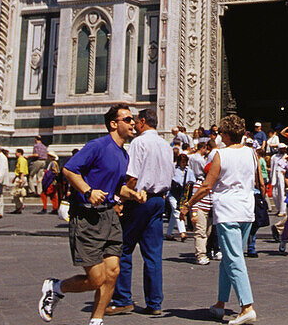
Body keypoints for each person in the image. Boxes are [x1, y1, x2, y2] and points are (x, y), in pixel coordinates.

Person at [39, 103, 136, 325]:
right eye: (128, 119)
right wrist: (88, 191)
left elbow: (116, 187)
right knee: (96, 279)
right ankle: (56, 287)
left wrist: (132, 194)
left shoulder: (123, 154)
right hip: (87, 217)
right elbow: (69, 169)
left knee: (112, 273)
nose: (133, 123)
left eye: (133, 119)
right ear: (114, 124)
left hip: (110, 217)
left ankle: (96, 320)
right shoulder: (98, 146)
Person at [181, 114, 261, 325]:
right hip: (246, 210)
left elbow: (207, 185)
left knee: (234, 259)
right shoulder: (252, 153)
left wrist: (188, 204)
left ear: (224, 135)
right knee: (229, 258)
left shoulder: (220, 155)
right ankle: (220, 304)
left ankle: (247, 307)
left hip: (228, 212)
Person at [108, 108, 174, 316]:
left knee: (123, 248)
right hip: (158, 200)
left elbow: (133, 176)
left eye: (135, 121)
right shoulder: (166, 145)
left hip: (140, 199)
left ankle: (122, 299)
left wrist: (121, 198)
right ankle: (155, 303)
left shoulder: (139, 142)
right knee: (153, 254)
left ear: (143, 122)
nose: (133, 125)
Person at [166, 153, 192, 241]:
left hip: (183, 195)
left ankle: (169, 233)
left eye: (185, 162)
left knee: (174, 214)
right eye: (182, 162)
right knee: (177, 211)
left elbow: (192, 182)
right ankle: (182, 232)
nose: (183, 164)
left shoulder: (189, 171)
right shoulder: (173, 170)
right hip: (173, 194)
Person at [11, 148, 29, 213]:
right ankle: (19, 206)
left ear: (19, 153)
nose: (15, 154)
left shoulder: (21, 160)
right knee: (19, 193)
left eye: (16, 152)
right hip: (20, 177)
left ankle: (19, 206)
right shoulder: (22, 159)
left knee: (15, 193)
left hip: (21, 177)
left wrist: (21, 179)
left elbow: (21, 170)